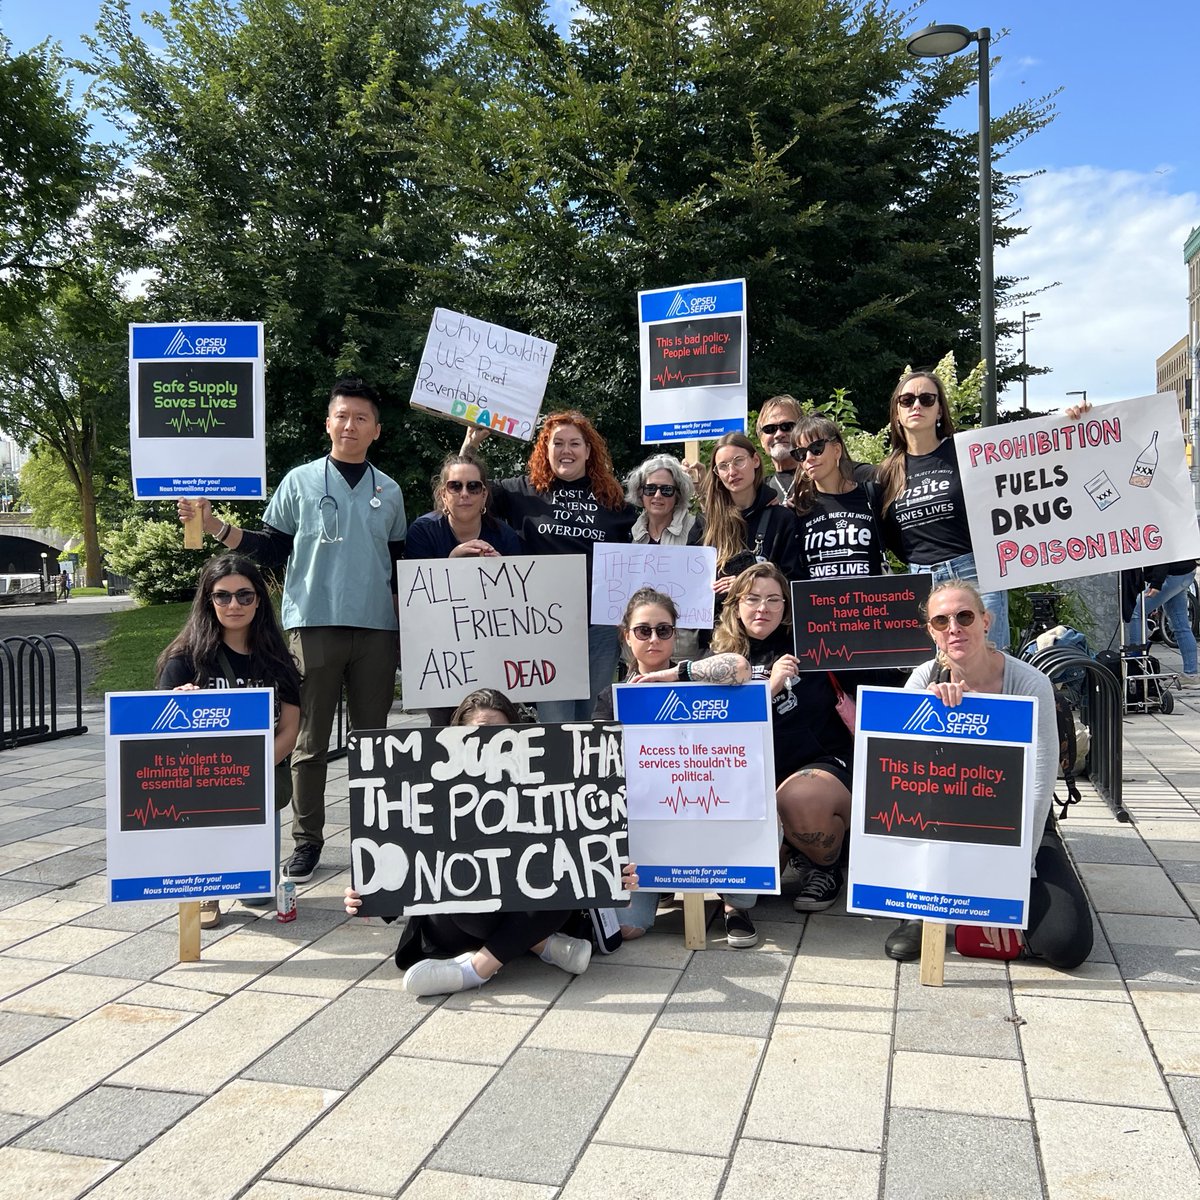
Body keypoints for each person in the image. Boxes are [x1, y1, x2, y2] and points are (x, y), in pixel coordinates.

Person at [177, 378, 407, 884]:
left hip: (376, 632)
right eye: (341, 415)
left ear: (376, 430)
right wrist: (215, 526)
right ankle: (308, 841)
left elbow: (396, 565)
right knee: (308, 740)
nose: (350, 424)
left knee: (374, 741)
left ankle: (373, 841)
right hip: (312, 625)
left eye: (361, 417)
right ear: (328, 423)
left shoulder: (389, 491)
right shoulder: (299, 481)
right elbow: (271, 549)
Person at [344, 688, 639, 995]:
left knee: (558, 887)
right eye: (478, 736)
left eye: (500, 735)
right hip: (457, 924)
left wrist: (611, 876)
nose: (489, 745)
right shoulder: (425, 787)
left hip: (528, 912)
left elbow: (580, 863)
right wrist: (363, 893)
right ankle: (542, 946)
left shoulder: (544, 784)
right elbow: (399, 875)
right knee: (459, 878)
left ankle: (474, 970)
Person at [883, 579, 1094, 966]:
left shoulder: (1030, 684)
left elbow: (1038, 785)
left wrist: (1009, 878)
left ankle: (975, 908)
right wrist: (930, 716)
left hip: (1012, 824)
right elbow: (901, 777)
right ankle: (925, 912)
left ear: (986, 621)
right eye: (941, 621)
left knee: (1067, 943)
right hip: (938, 824)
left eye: (964, 616)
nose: (954, 628)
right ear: (931, 631)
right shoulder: (923, 680)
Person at [628, 565, 854, 914]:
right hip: (751, 782)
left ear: (785, 607)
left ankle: (824, 867)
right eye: (752, 598)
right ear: (735, 605)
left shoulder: (810, 646)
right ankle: (789, 850)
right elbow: (734, 674)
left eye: (773, 599)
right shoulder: (714, 657)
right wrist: (671, 674)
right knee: (756, 887)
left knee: (799, 800)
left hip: (818, 766)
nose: (762, 607)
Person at [592, 588, 757, 946]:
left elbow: (741, 669)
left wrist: (670, 678)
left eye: (664, 630)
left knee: (764, 812)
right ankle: (660, 888)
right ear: (626, 636)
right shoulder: (612, 698)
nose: (654, 639)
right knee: (627, 929)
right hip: (649, 827)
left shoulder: (698, 676)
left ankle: (734, 906)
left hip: (709, 811)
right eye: (643, 630)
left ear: (675, 634)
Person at [156, 554, 302, 929]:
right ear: (208, 600)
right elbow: (156, 732)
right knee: (214, 860)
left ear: (258, 601)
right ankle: (203, 887)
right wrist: (177, 706)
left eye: (244, 596)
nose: (234, 605)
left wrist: (252, 769)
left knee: (256, 891)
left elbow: (289, 727)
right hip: (201, 785)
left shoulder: (277, 660)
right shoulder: (185, 659)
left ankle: (234, 872)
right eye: (222, 596)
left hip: (259, 778)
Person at [463, 411, 637, 721]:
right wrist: (470, 447)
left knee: (592, 714)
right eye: (557, 443)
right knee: (555, 718)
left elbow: (649, 540)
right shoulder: (521, 491)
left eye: (574, 443)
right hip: (544, 623)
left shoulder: (614, 501)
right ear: (545, 448)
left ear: (588, 450)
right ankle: (558, 772)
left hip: (598, 625)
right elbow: (467, 489)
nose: (566, 450)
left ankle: (586, 771)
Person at [877, 371, 1010, 652]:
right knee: (940, 677)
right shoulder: (889, 470)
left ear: (940, 410)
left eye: (926, 399)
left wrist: (1072, 420)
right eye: (907, 400)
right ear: (897, 413)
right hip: (921, 583)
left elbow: (1027, 465)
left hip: (974, 574)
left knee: (988, 669)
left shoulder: (967, 452)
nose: (916, 406)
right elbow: (892, 536)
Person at [404, 453, 524, 723]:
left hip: (495, 650)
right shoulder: (423, 531)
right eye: (455, 486)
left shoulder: (504, 535)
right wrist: (452, 563)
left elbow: (519, 599)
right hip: (441, 656)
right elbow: (417, 599)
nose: (464, 493)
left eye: (473, 486)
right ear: (443, 494)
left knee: (494, 722)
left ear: (484, 495)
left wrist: (503, 571)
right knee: (445, 728)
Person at [692, 432, 796, 632]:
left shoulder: (781, 518)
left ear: (755, 460)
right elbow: (694, 588)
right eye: (723, 466)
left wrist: (747, 584)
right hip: (719, 638)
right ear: (717, 474)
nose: (732, 472)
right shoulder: (704, 524)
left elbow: (792, 581)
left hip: (771, 638)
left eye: (738, 461)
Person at [788, 414, 885, 580]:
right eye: (801, 453)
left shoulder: (872, 496)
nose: (809, 458)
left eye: (816, 448)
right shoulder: (798, 507)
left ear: (837, 450)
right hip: (819, 603)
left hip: (868, 603)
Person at [625, 454, 701, 661]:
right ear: (640, 493)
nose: (657, 495)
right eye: (650, 489)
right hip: (637, 651)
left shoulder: (699, 529)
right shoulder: (626, 533)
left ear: (678, 495)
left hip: (683, 648)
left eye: (666, 490)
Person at [1126, 559, 1199, 686]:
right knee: (1181, 624)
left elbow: (1162, 555)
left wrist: (1156, 583)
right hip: (1183, 571)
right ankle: (1191, 674)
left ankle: (1136, 666)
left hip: (1171, 574)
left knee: (1136, 612)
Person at [757, 395, 804, 503]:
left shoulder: (820, 479)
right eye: (770, 429)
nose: (779, 434)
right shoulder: (757, 493)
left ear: (802, 430)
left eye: (787, 426)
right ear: (761, 440)